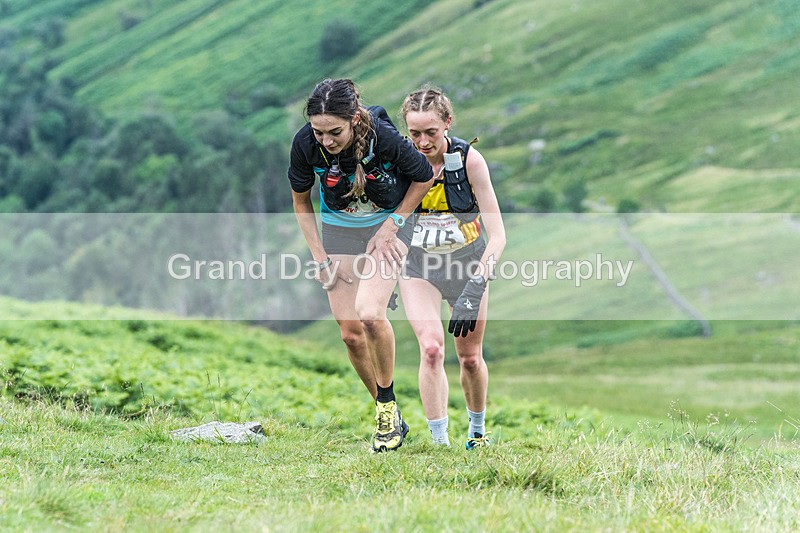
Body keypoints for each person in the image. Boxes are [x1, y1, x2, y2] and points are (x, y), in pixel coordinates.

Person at [287, 78, 433, 452]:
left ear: (353, 119)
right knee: (351, 332)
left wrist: (391, 226)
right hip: (340, 229)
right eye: (319, 132)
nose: (327, 141)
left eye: (334, 132)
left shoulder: (383, 137)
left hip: (389, 223)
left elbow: (423, 177)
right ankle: (391, 413)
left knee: (369, 314)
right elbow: (302, 203)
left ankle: (385, 409)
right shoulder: (306, 145)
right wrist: (320, 257)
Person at [398, 85, 506, 449]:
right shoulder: (398, 162)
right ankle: (440, 443)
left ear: (448, 123)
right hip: (418, 268)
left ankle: (477, 433)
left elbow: (498, 236)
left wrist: (475, 287)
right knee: (431, 349)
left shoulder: (470, 161)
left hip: (468, 267)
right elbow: (380, 222)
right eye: (415, 133)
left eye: (431, 132)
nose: (423, 142)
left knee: (470, 358)